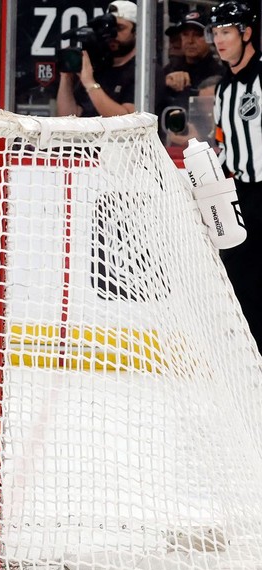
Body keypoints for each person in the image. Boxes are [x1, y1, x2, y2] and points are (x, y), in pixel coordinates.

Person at [210, 1, 262, 353]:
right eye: (215, 33)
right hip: (241, 195)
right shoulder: (224, 89)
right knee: (242, 281)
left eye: (226, 31)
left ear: (246, 33)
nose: (219, 40)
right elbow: (222, 142)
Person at [56, 1, 137, 117]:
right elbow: (67, 117)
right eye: (110, 28)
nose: (113, 35)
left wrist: (90, 84)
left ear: (137, 32)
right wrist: (66, 77)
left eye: (120, 28)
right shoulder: (98, 67)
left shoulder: (142, 73)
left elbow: (127, 121)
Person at [161, 8, 221, 112]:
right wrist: (164, 82)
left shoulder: (219, 74)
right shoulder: (170, 69)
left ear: (210, 38)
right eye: (185, 34)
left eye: (198, 35)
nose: (190, 41)